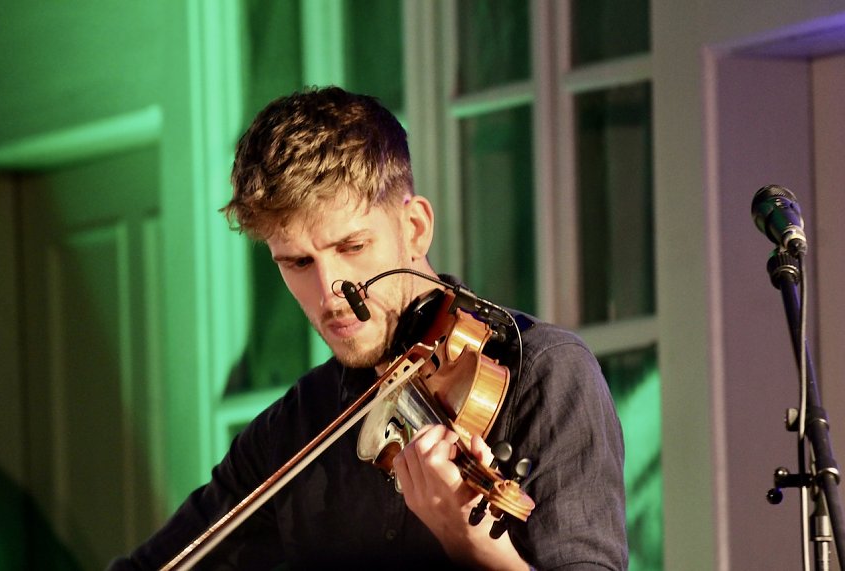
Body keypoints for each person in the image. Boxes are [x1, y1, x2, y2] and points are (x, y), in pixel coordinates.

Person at [109, 86, 628, 570]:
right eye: (297, 263)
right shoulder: (290, 432)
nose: (330, 290)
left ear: (415, 227)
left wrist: (470, 541)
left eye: (352, 248)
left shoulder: (541, 373)